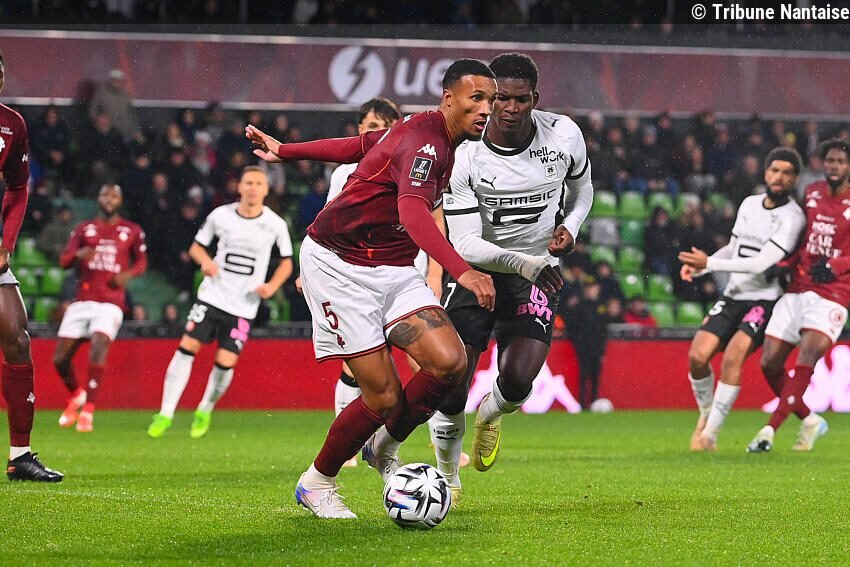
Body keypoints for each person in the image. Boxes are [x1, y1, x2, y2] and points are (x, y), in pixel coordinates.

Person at [247, 58, 498, 519]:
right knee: (383, 396)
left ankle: (384, 446)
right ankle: (317, 482)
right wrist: (461, 270)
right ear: (449, 99)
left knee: (450, 362)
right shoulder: (428, 145)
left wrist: (288, 151)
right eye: (476, 98)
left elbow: (360, 144)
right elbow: (413, 212)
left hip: (392, 265)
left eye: (491, 100)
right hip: (339, 266)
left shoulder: (426, 130)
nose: (486, 109)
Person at [428, 53, 591, 494]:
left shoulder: (564, 135)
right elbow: (464, 242)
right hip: (476, 271)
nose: (510, 108)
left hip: (538, 270)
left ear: (535, 98)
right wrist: (525, 263)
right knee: (451, 380)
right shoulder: (465, 151)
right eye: (501, 98)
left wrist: (571, 227)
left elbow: (582, 190)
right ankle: (448, 479)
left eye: (521, 99)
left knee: (518, 380)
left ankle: (491, 413)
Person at [147, 166, 293, 439]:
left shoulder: (275, 224)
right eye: (248, 182)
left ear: (266, 189)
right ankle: (165, 413)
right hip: (212, 295)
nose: (252, 188)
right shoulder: (221, 215)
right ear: (239, 187)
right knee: (187, 346)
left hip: (244, 304)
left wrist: (272, 286)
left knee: (225, 362)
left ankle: (205, 409)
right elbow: (196, 247)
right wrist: (206, 262)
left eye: (258, 183)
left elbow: (287, 262)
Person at [679, 147, 806, 450]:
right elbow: (734, 248)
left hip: (764, 299)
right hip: (734, 294)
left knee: (733, 356)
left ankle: (710, 434)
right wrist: (702, 265)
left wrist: (710, 264)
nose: (779, 177)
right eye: (775, 170)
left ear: (794, 179)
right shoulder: (749, 204)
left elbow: (761, 263)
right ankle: (707, 413)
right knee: (697, 357)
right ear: (766, 172)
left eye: (787, 173)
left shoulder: (793, 217)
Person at [746, 139, 850, 453]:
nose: (834, 166)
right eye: (830, 160)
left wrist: (835, 265)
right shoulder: (812, 192)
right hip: (798, 287)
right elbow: (803, 240)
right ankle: (809, 420)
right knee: (770, 364)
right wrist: (785, 265)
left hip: (833, 293)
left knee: (807, 357)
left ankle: (768, 431)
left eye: (840, 161)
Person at [0, 51, 64, 481]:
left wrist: (6, 245)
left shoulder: (12, 124)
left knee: (17, 338)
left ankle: (20, 456)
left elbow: (19, 188)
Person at [54, 184, 148, 432]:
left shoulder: (132, 230)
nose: (109, 199)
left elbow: (142, 262)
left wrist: (127, 275)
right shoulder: (84, 228)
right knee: (59, 359)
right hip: (83, 299)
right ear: (98, 199)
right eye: (105, 194)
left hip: (111, 302)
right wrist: (78, 255)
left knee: (99, 343)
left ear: (120, 200)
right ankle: (77, 394)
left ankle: (88, 410)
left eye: (114, 195)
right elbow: (63, 261)